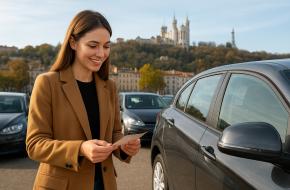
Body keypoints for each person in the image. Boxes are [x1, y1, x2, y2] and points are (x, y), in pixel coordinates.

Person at [26, 10, 141, 190]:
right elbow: (35, 145)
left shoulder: (109, 86)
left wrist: (125, 146)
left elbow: (114, 134)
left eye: (106, 46)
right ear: (73, 42)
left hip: (104, 184)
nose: (101, 53)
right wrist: (80, 148)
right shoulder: (47, 83)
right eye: (93, 45)